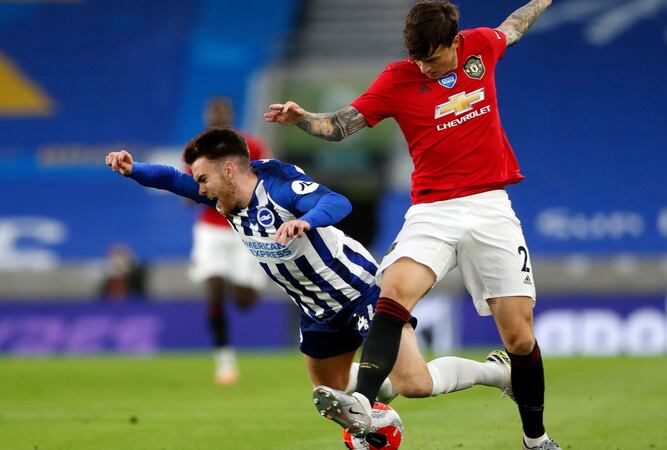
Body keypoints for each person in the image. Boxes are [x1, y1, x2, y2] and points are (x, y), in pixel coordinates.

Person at [264, 1, 557, 448]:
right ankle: (362, 403)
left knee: (519, 336)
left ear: (455, 42)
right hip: (432, 210)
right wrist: (302, 118)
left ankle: (536, 440)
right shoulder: (399, 76)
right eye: (417, 57)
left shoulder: (481, 47)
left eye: (432, 57)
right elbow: (342, 125)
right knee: (393, 292)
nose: (423, 65)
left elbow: (513, 26)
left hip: (490, 207)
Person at [105, 128, 514, 445]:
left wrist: (307, 220)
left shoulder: (279, 184)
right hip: (316, 310)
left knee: (417, 385)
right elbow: (169, 179)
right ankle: (378, 408)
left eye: (204, 178)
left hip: (360, 291)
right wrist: (133, 168)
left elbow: (338, 202)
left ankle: (497, 373)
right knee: (330, 393)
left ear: (228, 169)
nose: (199, 188)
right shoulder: (219, 198)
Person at [191, 96, 270, 385]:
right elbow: (189, 190)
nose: (217, 117)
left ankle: (248, 284)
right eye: (212, 112)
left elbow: (265, 176)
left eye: (222, 112)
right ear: (206, 117)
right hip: (211, 228)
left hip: (244, 227)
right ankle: (224, 360)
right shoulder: (196, 151)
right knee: (213, 286)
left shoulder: (250, 146)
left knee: (244, 300)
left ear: (231, 116)